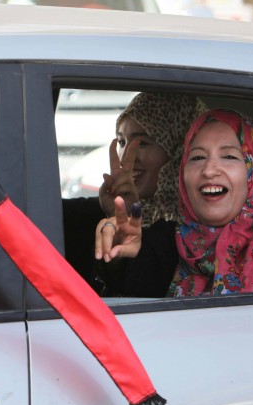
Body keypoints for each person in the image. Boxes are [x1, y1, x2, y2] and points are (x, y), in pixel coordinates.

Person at [94, 109, 253, 297]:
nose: (209, 170)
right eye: (197, 157)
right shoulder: (164, 241)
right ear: (182, 173)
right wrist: (117, 257)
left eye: (229, 156)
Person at [62, 92, 206, 284]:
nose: (125, 157)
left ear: (180, 148)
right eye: (121, 142)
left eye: (142, 144)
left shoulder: (203, 226)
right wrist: (117, 214)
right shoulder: (103, 212)